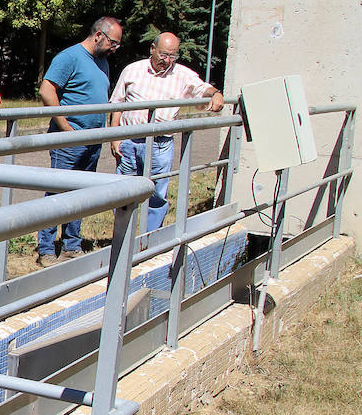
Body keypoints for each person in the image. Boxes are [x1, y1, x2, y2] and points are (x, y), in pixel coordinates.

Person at [107, 32, 224, 233]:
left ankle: (149, 241)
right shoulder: (132, 70)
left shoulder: (182, 74)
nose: (167, 61)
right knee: (123, 193)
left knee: (157, 195)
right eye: (163, 55)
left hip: (160, 144)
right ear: (152, 49)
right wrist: (114, 137)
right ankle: (122, 240)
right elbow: (118, 103)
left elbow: (203, 88)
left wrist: (216, 94)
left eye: (172, 56)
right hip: (129, 141)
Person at [35, 16, 123, 263]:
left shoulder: (102, 62)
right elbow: (47, 89)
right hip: (69, 141)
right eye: (112, 43)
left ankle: (71, 245)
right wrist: (65, 127)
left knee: (81, 194)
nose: (114, 49)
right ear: (98, 36)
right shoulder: (70, 57)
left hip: (92, 140)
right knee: (58, 194)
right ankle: (46, 248)